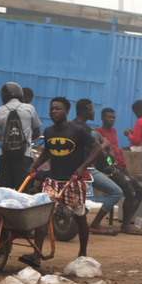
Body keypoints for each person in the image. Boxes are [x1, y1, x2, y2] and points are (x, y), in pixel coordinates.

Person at [23, 97, 100, 268]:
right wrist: (34, 166)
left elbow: (97, 148)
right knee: (44, 215)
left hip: (72, 180)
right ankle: (37, 255)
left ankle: (82, 253)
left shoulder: (78, 131)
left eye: (58, 109)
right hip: (53, 180)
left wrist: (83, 167)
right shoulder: (49, 132)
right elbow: (47, 152)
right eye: (51, 109)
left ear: (66, 111)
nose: (54, 112)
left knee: (80, 217)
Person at [72, 99, 123, 236]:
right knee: (117, 192)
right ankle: (95, 224)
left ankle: (91, 224)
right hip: (87, 169)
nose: (94, 111)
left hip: (81, 169)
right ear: (85, 111)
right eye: (92, 109)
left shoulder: (77, 127)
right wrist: (105, 146)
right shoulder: (84, 130)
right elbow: (95, 151)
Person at [96, 107, 142, 235]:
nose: (111, 120)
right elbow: (101, 154)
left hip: (121, 167)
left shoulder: (113, 131)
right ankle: (123, 226)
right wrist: (110, 163)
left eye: (113, 117)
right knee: (130, 192)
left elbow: (115, 149)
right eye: (108, 117)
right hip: (109, 168)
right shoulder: (97, 132)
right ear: (102, 118)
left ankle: (126, 224)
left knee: (140, 193)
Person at [0, 81, 42, 189]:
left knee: (6, 189)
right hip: (24, 155)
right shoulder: (29, 108)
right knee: (23, 190)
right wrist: (26, 140)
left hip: (4, 155)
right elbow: (37, 132)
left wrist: (4, 138)